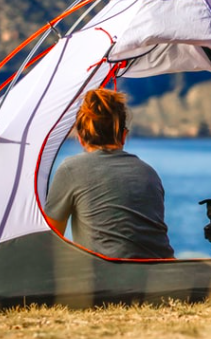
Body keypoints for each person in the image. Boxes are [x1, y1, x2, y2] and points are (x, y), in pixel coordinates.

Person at [44, 88, 174, 259]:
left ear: (81, 138)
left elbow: (52, 240)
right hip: (164, 276)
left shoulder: (71, 170)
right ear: (124, 136)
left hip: (107, 279)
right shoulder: (148, 173)